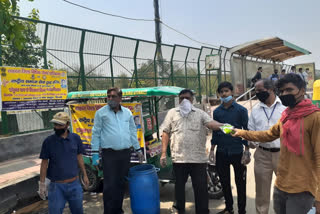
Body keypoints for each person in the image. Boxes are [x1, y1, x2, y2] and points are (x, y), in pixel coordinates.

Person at [232, 73, 320, 214]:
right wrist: (240, 132)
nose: (285, 94)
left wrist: (318, 197)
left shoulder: (314, 117)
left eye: (289, 90)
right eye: (283, 91)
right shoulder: (287, 116)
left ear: (303, 90)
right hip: (281, 185)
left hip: (301, 188)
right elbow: (268, 135)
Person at [160, 89, 223, 214]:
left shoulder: (200, 113)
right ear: (178, 100)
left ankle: (203, 211)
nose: (184, 101)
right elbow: (165, 132)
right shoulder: (172, 113)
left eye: (187, 98)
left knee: (200, 189)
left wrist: (227, 127)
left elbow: (211, 124)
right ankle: (179, 210)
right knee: (179, 189)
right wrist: (163, 154)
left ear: (192, 99)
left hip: (198, 160)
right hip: (179, 159)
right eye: (181, 98)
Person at [91, 87, 144, 214]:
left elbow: (132, 131)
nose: (110, 98)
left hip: (125, 153)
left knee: (120, 184)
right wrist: (94, 154)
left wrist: (138, 149)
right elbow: (96, 133)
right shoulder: (101, 113)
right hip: (109, 154)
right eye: (108, 96)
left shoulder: (127, 113)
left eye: (113, 96)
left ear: (120, 98)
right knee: (110, 186)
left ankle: (118, 211)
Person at [209, 81, 250, 214]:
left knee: (240, 183)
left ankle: (242, 210)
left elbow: (246, 131)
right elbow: (215, 132)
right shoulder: (217, 112)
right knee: (225, 182)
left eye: (226, 91)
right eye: (221, 92)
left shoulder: (241, 110)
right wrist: (212, 150)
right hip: (221, 152)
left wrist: (247, 151)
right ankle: (229, 208)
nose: (224, 94)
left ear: (231, 92)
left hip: (237, 151)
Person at [39, 112, 89, 214]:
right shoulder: (48, 141)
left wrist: (85, 175)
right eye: (55, 124)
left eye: (60, 125)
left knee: (78, 211)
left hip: (74, 184)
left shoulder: (75, 138)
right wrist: (42, 184)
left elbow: (79, 157)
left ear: (67, 125)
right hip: (56, 187)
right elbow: (44, 163)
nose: (57, 127)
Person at [249, 79, 286, 214]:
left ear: (271, 89)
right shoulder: (255, 111)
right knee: (261, 192)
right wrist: (250, 142)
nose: (257, 94)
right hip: (262, 154)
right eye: (256, 91)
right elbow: (251, 131)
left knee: (285, 189)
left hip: (283, 154)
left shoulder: (285, 107)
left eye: (260, 91)